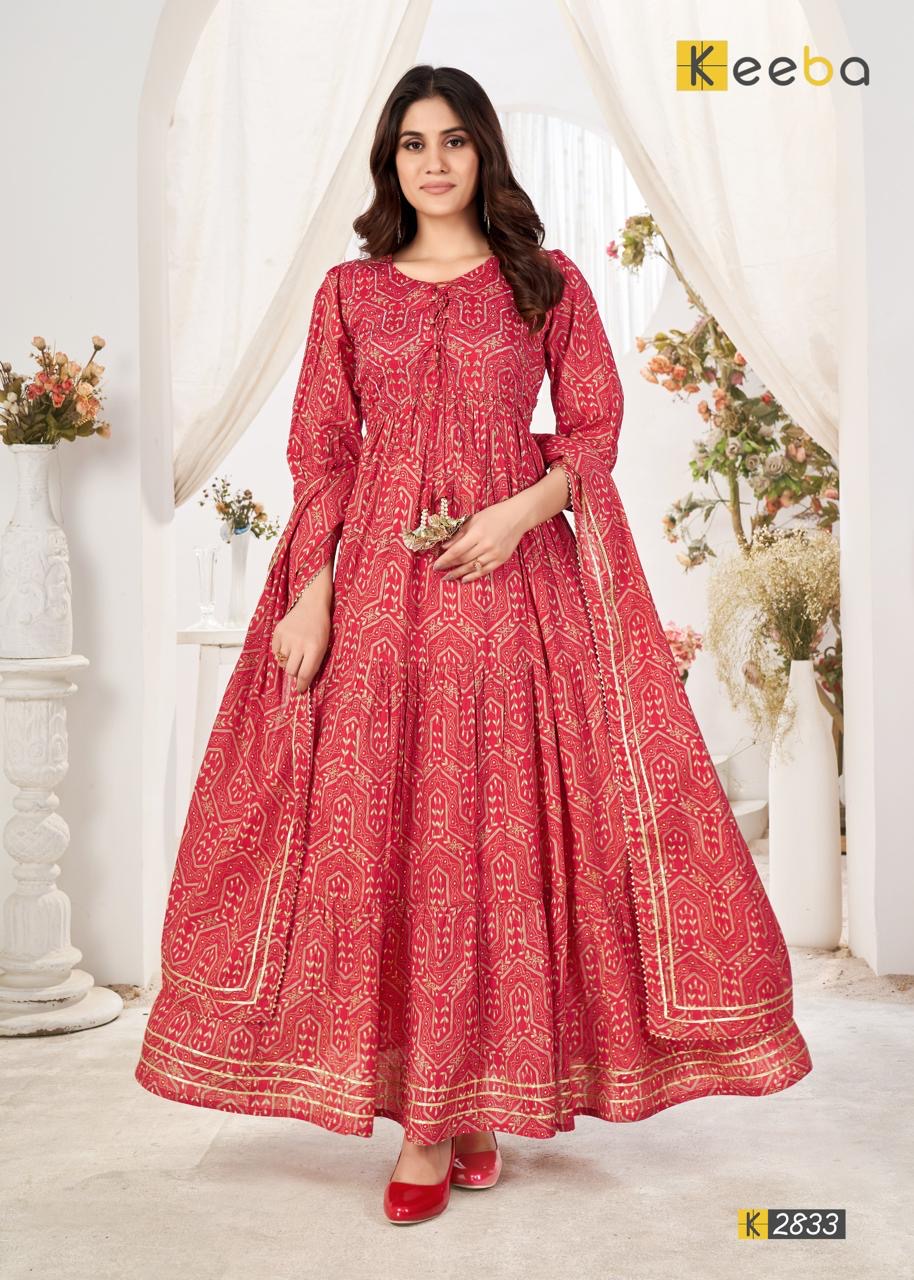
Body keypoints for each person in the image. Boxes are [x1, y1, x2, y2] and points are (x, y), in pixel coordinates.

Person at [135, 65, 813, 1225]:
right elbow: (322, 456)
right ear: (389, 162)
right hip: (382, 611)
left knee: (492, 843)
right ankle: (426, 1121)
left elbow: (592, 432)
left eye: (452, 140)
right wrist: (311, 598)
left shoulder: (543, 283)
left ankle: (472, 1106)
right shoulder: (349, 293)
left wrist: (515, 510)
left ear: (483, 153)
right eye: (410, 143)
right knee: (394, 841)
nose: (432, 161)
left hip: (512, 601)